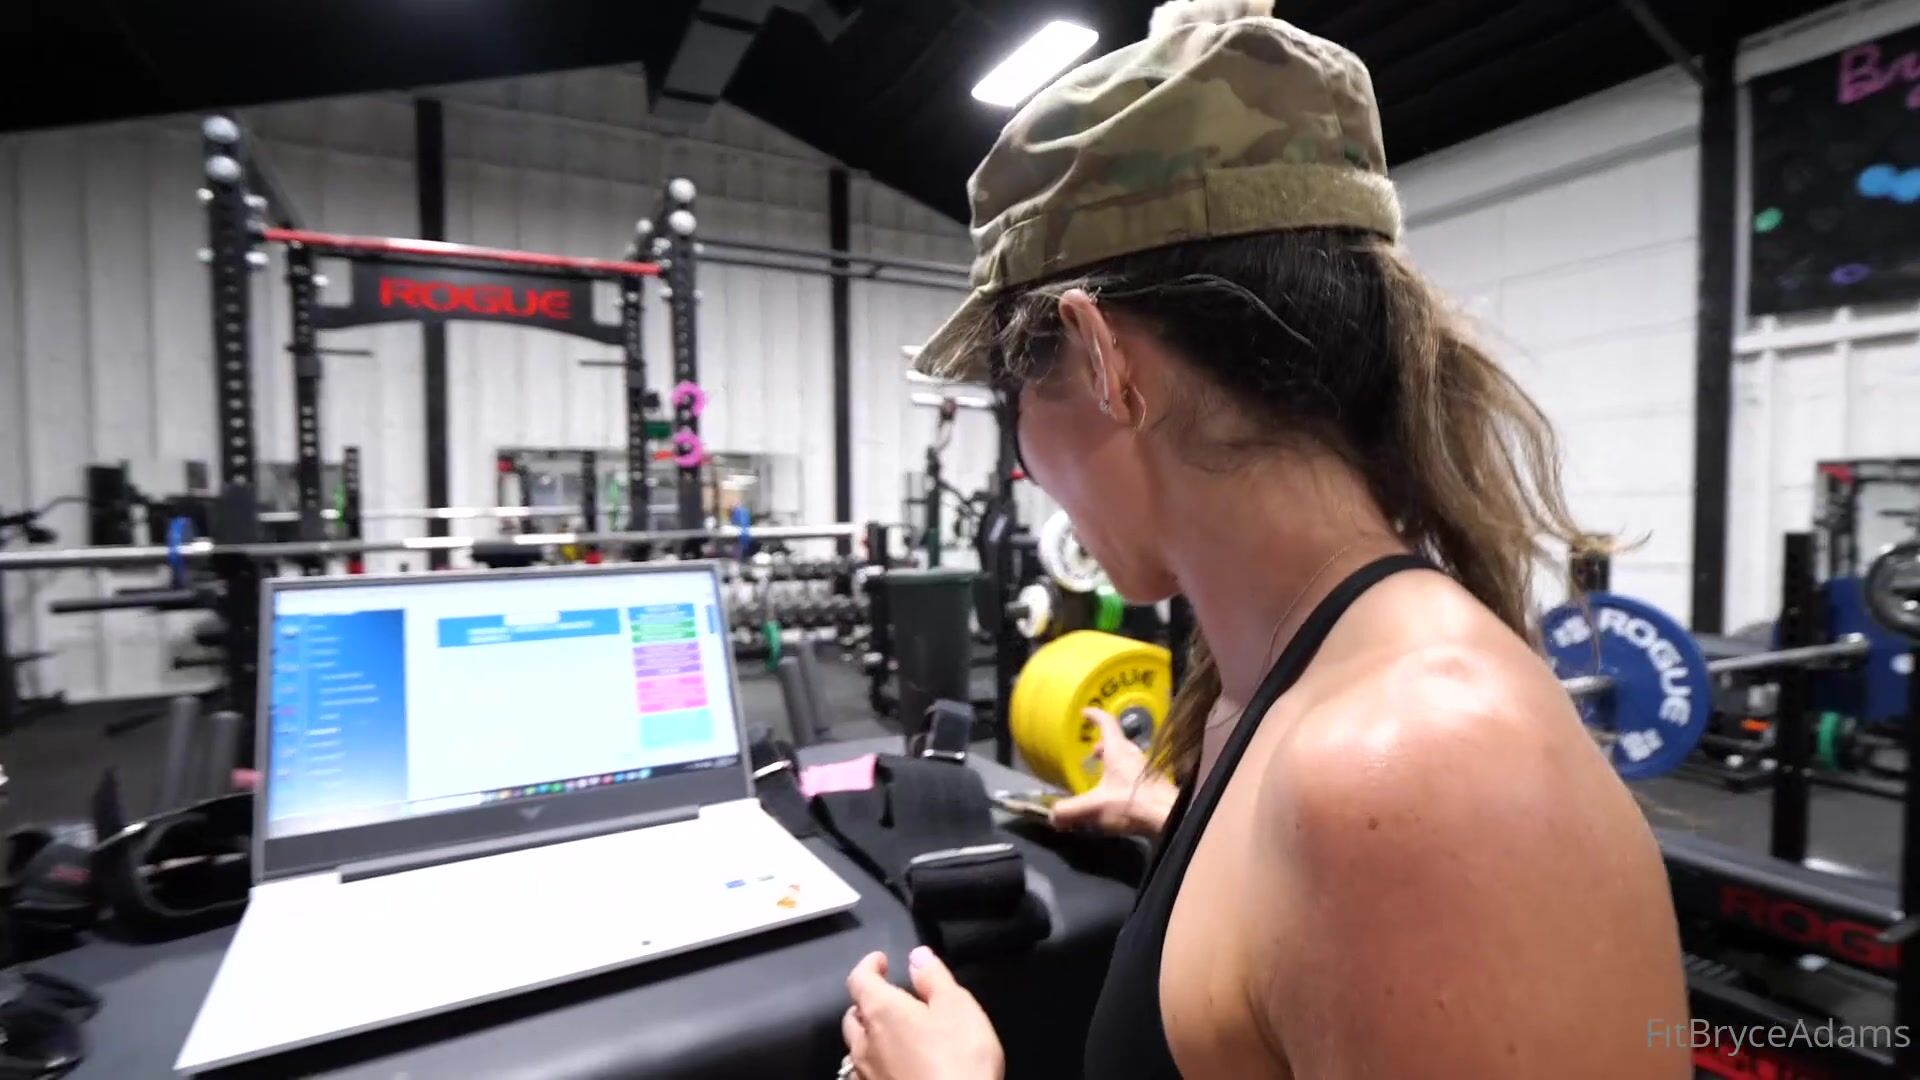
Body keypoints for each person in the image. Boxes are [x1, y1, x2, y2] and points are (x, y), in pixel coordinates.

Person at [839, 1, 1690, 1077]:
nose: (1026, 455)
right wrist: (1183, 822)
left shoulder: (1417, 775)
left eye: (1017, 390)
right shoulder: (1279, 695)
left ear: (1103, 361)